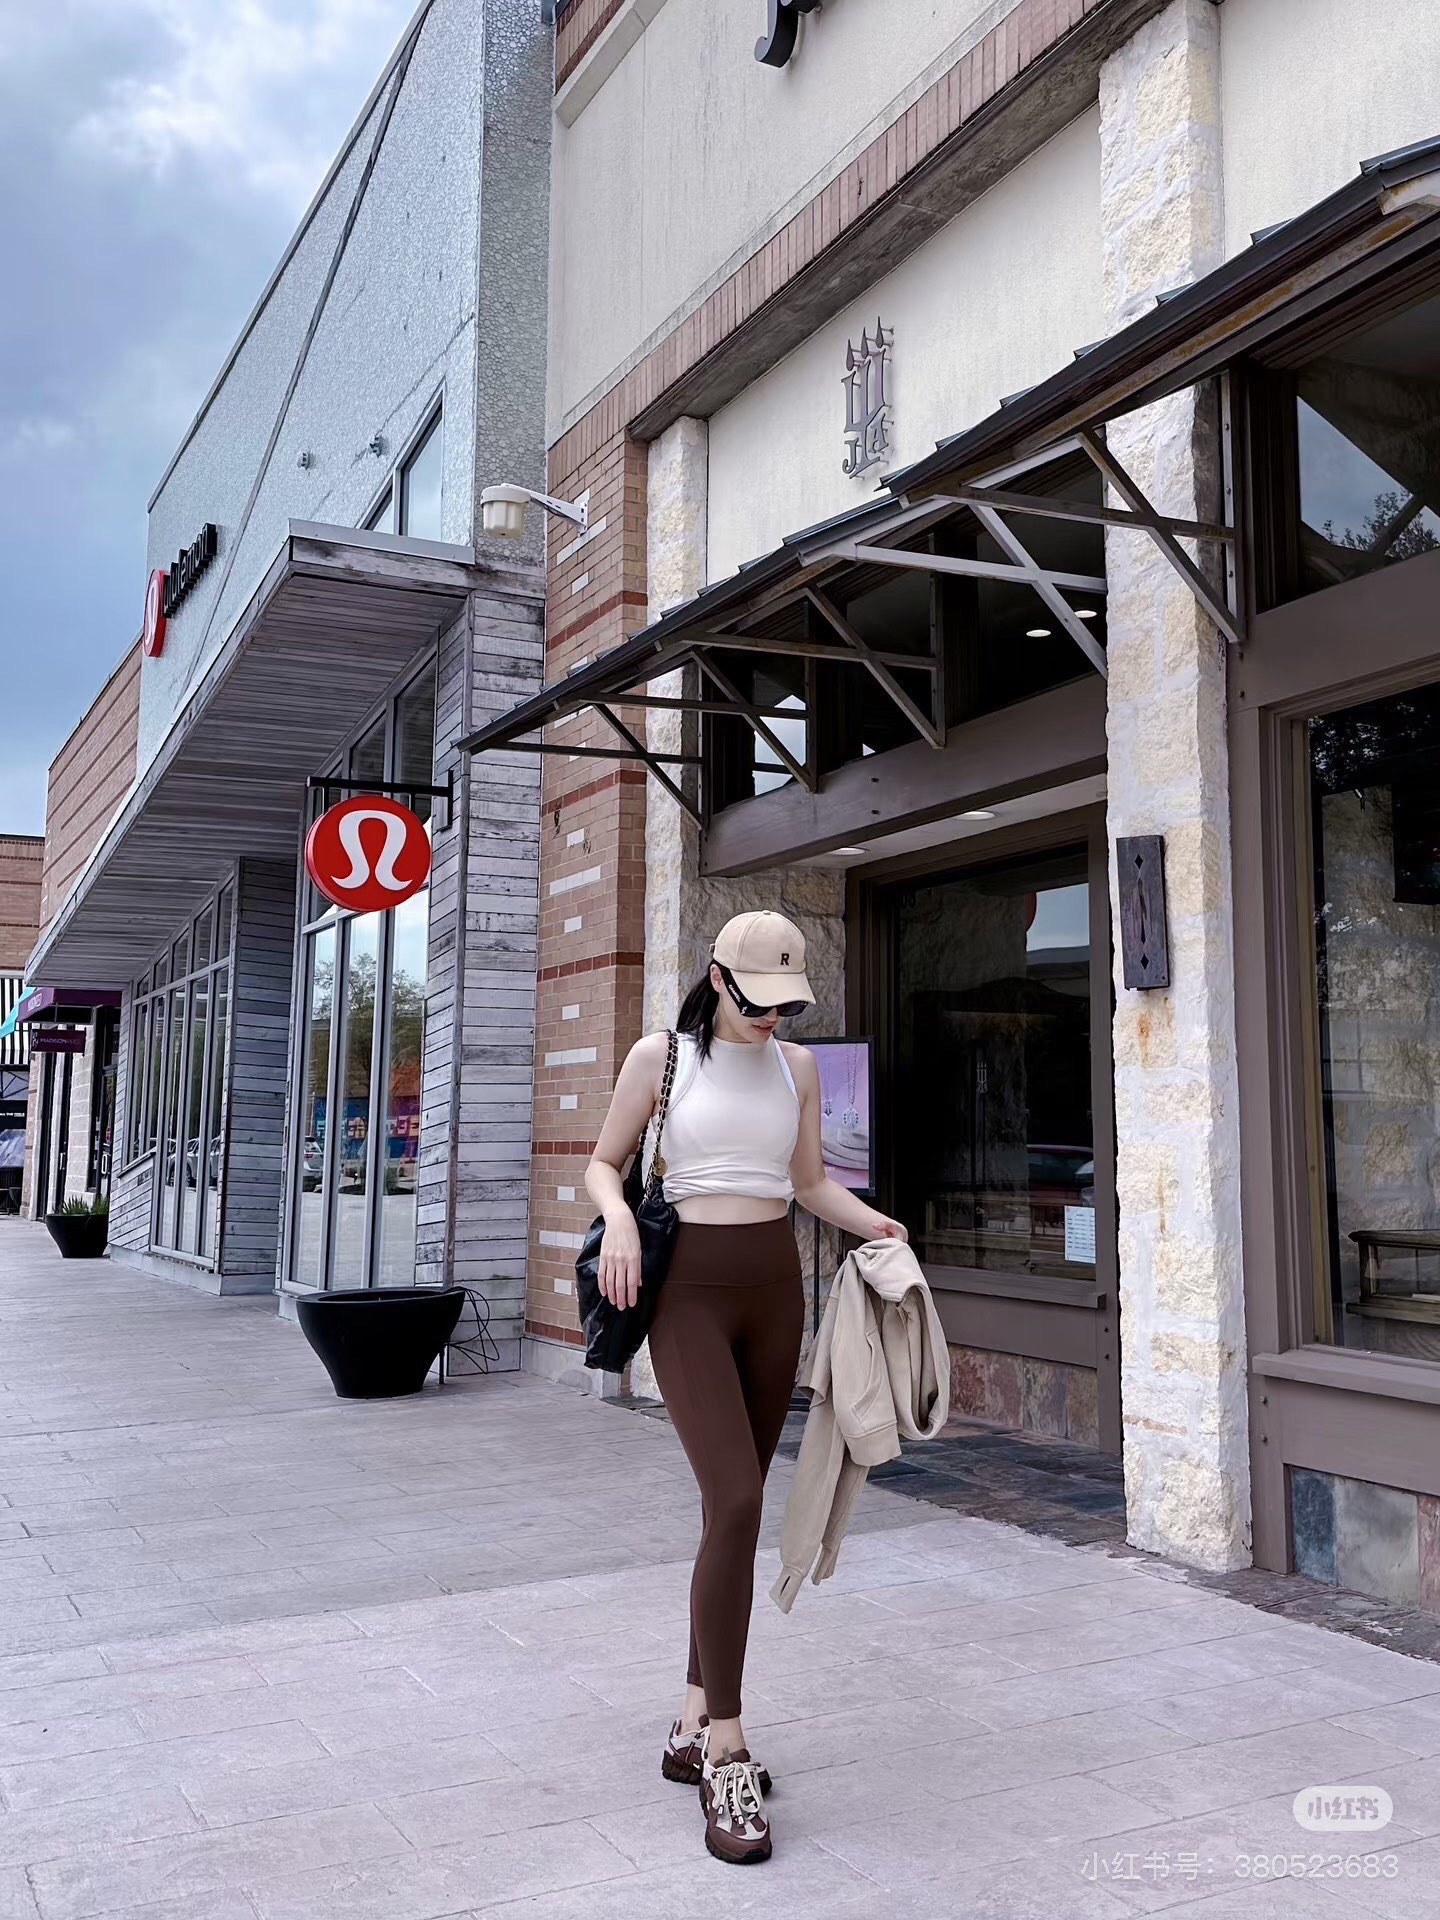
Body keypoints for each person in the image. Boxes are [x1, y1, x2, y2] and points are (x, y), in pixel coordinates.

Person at [585, 909, 906, 1865]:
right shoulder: (661, 1059)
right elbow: (602, 1164)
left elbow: (807, 1183)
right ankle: (726, 1751)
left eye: (787, 1005)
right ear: (718, 979)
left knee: (730, 1513)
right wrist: (623, 1221)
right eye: (758, 1001)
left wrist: (876, 1224)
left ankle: (689, 1725)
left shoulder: (797, 1069)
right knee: (735, 1501)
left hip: (775, 1294)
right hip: (686, 1294)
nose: (773, 1019)